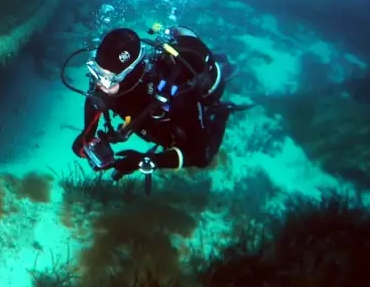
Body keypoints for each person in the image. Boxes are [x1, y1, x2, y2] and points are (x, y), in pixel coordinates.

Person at [70, 25, 245, 182]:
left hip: (171, 124)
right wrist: (88, 133)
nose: (100, 83)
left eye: (109, 79)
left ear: (130, 74)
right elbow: (95, 99)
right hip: (144, 120)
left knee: (204, 158)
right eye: (96, 72)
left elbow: (196, 154)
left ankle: (223, 110)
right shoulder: (108, 82)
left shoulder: (173, 93)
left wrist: (147, 161)